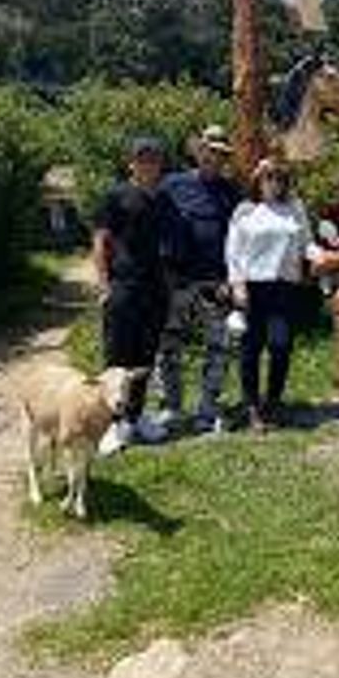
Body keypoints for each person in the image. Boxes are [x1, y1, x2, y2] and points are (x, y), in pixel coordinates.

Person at [155, 124, 242, 435]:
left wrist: (232, 279)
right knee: (168, 347)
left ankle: (208, 407)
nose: (214, 158)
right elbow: (152, 226)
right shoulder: (171, 185)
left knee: (218, 348)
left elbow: (238, 239)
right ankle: (171, 407)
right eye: (209, 151)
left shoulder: (232, 191)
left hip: (215, 282)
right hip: (176, 281)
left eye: (220, 154)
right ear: (198, 152)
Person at [92, 136, 170, 455]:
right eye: (142, 159)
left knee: (145, 357)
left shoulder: (164, 198)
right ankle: (110, 426)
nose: (148, 164)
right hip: (123, 287)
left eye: (153, 159)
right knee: (117, 358)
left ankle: (135, 419)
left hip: (155, 289)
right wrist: (104, 285)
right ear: (132, 163)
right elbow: (100, 240)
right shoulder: (116, 195)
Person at [225, 158, 316, 431]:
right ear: (258, 180)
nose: (274, 183)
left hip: (285, 286)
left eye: (279, 178)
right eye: (268, 177)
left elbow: (307, 244)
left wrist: (324, 257)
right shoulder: (245, 210)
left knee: (281, 344)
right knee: (250, 349)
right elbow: (233, 251)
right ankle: (252, 406)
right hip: (254, 286)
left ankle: (273, 401)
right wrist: (237, 284)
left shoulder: (294, 208)